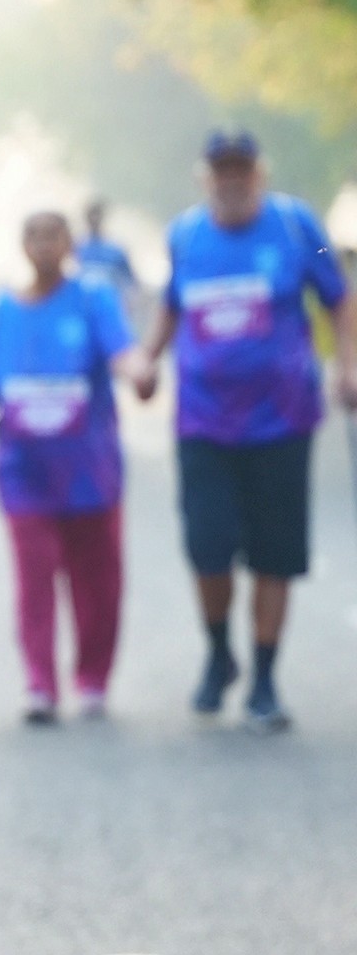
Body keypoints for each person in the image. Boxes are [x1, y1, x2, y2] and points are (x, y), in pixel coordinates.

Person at [130, 130, 357, 729]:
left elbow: (338, 293)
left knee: (273, 554)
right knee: (208, 547)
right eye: (221, 170)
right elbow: (172, 304)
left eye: (242, 169)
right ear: (205, 178)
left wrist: (349, 364)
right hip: (204, 422)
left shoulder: (298, 228)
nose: (231, 180)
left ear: (260, 173)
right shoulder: (184, 235)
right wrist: (148, 359)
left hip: (282, 421)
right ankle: (218, 652)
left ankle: (264, 678)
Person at [0, 211, 136, 723]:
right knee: (33, 582)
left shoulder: (93, 298)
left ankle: (92, 678)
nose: (43, 245)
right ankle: (39, 683)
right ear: (23, 245)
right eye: (34, 236)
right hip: (25, 472)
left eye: (53, 236)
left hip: (89, 472)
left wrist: (139, 372)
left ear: (68, 243)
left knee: (98, 585)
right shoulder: (2, 311)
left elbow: (123, 352)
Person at [74, 197, 141, 310]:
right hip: (83, 306)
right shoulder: (77, 247)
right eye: (91, 216)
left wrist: (127, 302)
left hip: (109, 304)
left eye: (97, 215)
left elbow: (130, 280)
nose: (94, 219)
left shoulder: (115, 249)